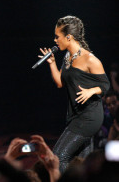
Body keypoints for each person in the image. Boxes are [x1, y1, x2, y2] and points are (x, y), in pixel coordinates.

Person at [38, 15, 110, 173]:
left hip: (89, 117)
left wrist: (91, 90)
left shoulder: (90, 60)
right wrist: (52, 64)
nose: (55, 40)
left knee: (58, 157)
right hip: (75, 114)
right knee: (82, 162)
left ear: (68, 37)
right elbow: (60, 83)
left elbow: (106, 85)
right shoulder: (67, 57)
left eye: (58, 37)